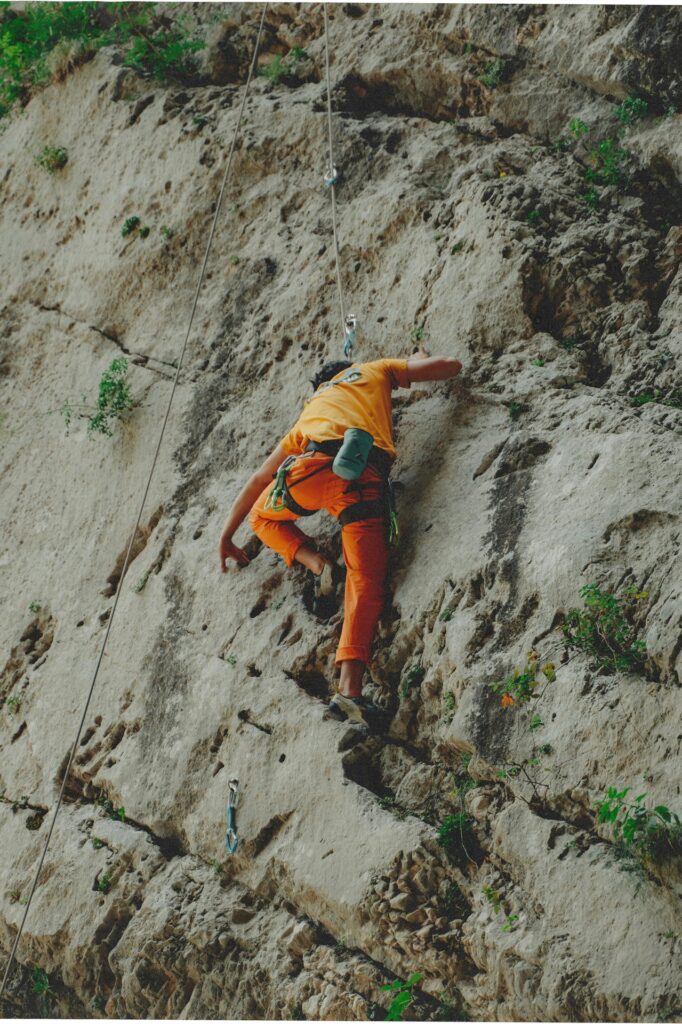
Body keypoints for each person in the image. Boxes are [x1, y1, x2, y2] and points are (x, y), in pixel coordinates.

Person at [218, 347, 463, 728]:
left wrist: (225, 534)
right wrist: (420, 356)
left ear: (318, 388)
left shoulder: (310, 411)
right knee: (365, 582)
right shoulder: (374, 370)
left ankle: (318, 565)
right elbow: (451, 366)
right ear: (350, 370)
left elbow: (258, 480)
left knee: (261, 516)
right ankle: (349, 690)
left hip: (308, 470)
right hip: (360, 477)